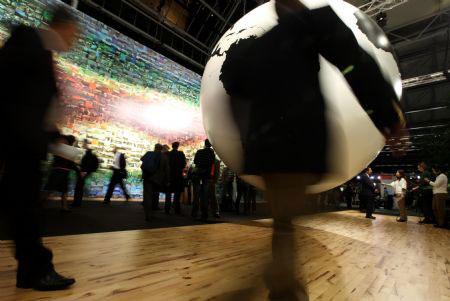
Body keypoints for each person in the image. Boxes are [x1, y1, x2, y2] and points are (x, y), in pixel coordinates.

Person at [0, 5, 78, 290]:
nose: (75, 39)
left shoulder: (44, 53)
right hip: (19, 144)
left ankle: (31, 272)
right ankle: (37, 271)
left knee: (25, 209)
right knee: (26, 209)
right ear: (64, 26)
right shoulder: (28, 41)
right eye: (75, 33)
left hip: (26, 144)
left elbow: (37, 106)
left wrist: (54, 136)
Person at [44, 135, 79, 212]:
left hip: (56, 170)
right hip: (65, 172)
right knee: (64, 191)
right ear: (72, 142)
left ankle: (43, 205)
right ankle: (64, 207)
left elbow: (53, 155)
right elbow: (72, 163)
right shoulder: (74, 150)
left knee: (49, 189)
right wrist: (78, 170)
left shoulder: (59, 147)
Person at [141, 144, 169, 221]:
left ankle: (148, 215)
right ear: (161, 149)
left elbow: (142, 161)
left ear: (154, 148)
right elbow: (167, 170)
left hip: (147, 178)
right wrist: (167, 180)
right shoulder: (164, 157)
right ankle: (152, 214)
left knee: (147, 197)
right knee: (154, 197)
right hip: (158, 180)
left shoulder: (148, 153)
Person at [191, 139, 216, 221]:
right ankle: (204, 214)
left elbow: (195, 162)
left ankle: (194, 213)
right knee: (205, 196)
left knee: (196, 195)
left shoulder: (199, 152)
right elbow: (212, 164)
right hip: (206, 176)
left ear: (205, 144)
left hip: (198, 176)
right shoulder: (212, 153)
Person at [71, 139, 99, 207]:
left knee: (79, 187)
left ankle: (77, 203)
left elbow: (88, 163)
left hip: (83, 171)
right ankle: (76, 202)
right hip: (80, 171)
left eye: (83, 143)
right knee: (79, 186)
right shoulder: (84, 151)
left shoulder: (88, 152)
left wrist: (85, 172)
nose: (82, 144)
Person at [165, 142, 186, 215]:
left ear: (172, 146)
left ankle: (167, 209)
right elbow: (183, 165)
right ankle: (177, 210)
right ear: (177, 147)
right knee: (177, 194)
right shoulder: (181, 154)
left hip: (169, 176)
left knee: (168, 193)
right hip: (178, 176)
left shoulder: (168, 154)